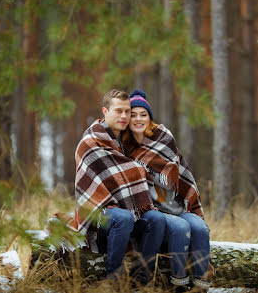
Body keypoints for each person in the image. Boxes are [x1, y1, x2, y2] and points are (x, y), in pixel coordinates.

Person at [52, 89, 166, 284]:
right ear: (105, 111)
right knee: (122, 218)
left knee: (156, 219)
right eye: (118, 111)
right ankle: (113, 281)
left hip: (127, 211)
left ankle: (141, 281)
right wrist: (138, 170)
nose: (124, 116)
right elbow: (126, 173)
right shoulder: (90, 141)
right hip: (98, 214)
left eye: (127, 111)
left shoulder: (126, 141)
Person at [122, 89, 212, 292]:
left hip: (175, 205)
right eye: (133, 115)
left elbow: (179, 175)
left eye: (143, 114)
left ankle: (201, 286)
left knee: (199, 228)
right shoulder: (123, 146)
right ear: (127, 119)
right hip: (151, 210)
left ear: (149, 117)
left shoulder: (164, 139)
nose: (138, 119)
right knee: (180, 228)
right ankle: (178, 284)